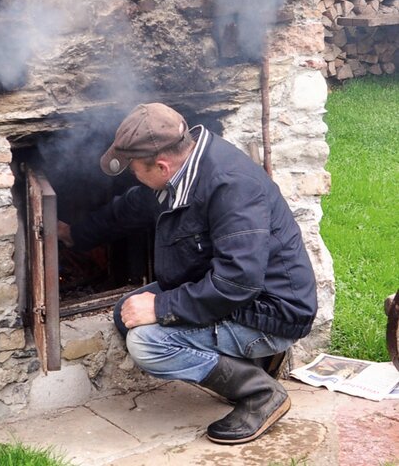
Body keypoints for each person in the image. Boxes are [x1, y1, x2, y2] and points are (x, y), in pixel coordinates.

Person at [58, 101, 317, 446]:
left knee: (146, 343)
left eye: (135, 169)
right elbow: (131, 207)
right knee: (127, 312)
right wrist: (75, 234)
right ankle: (248, 367)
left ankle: (261, 393)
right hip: (230, 291)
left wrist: (162, 307)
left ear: (162, 166)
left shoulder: (231, 187)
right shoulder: (185, 168)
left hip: (270, 310)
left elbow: (237, 281)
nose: (134, 176)